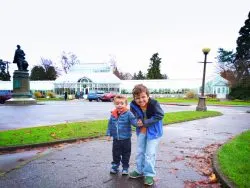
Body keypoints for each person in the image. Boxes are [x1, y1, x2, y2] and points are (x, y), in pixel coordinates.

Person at [129, 84, 164, 186]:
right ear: (134, 98)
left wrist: (145, 122)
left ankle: (149, 174)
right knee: (140, 151)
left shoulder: (154, 103)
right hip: (142, 131)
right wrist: (136, 122)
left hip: (154, 132)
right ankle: (139, 170)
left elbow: (160, 115)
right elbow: (133, 117)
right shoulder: (133, 105)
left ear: (148, 96)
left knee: (149, 153)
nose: (141, 100)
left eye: (143, 97)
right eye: (137, 98)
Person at [106, 95, 140, 175]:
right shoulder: (113, 114)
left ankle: (125, 168)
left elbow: (134, 121)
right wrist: (108, 134)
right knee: (115, 154)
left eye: (122, 103)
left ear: (125, 104)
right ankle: (115, 166)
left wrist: (138, 123)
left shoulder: (128, 113)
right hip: (116, 139)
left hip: (126, 139)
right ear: (114, 104)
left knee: (126, 154)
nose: (119, 105)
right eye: (117, 103)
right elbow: (110, 124)